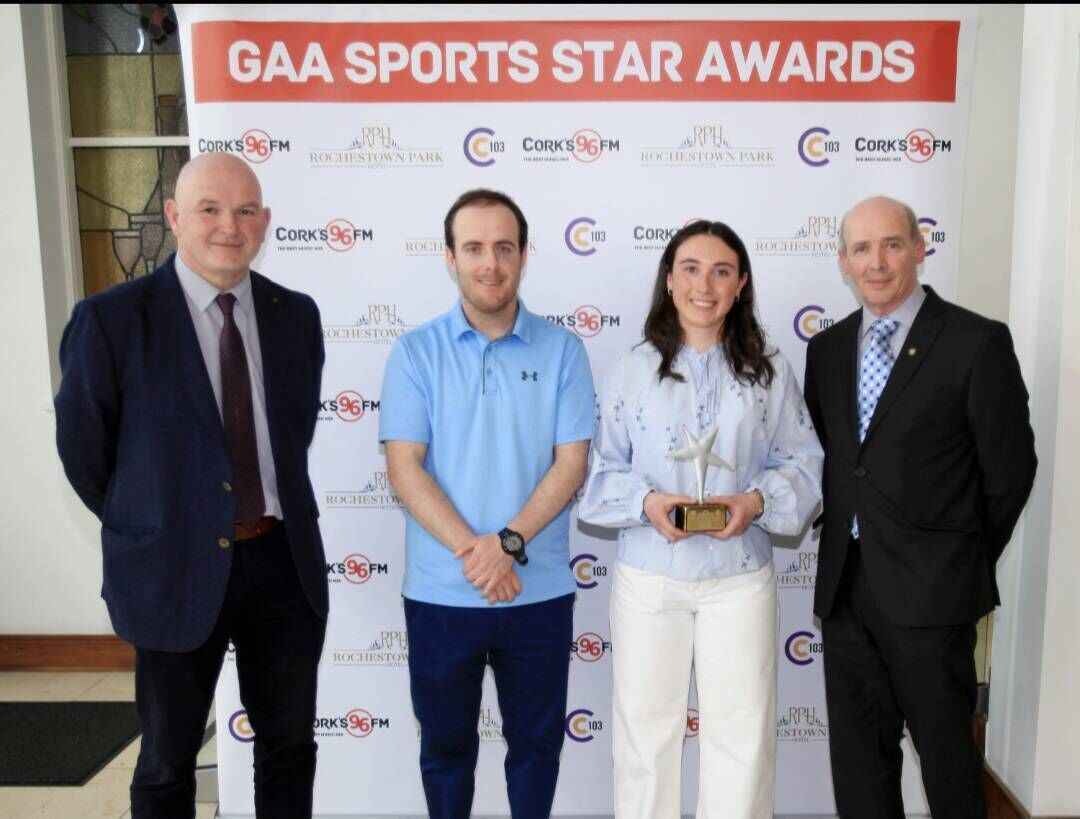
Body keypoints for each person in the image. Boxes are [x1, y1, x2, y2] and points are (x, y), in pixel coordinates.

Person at [55, 153, 328, 819]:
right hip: (170, 562)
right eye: (209, 209)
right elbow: (87, 454)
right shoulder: (113, 320)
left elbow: (292, 432)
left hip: (279, 561)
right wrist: (155, 519)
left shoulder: (295, 315)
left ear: (264, 223)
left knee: (289, 747)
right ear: (175, 217)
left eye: (244, 211)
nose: (228, 226)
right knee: (167, 762)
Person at [579, 220, 823, 819]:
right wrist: (645, 505)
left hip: (739, 580)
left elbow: (804, 459)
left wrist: (756, 503)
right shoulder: (632, 369)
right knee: (645, 735)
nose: (704, 285)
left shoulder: (769, 368)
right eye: (690, 268)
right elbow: (600, 471)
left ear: (740, 284)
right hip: (648, 580)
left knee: (742, 737)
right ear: (669, 279)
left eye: (721, 271)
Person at [803, 195, 1037, 818]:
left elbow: (1010, 472)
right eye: (860, 248)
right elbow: (835, 461)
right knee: (859, 768)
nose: (876, 262)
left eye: (891, 245)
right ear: (844, 262)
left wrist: (958, 559)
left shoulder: (975, 342)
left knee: (948, 766)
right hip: (846, 592)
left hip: (935, 599)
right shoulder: (825, 352)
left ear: (919, 248)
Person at [379, 189, 595, 819]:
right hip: (444, 594)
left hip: (538, 592)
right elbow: (404, 467)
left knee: (536, 748)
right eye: (473, 247)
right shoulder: (415, 352)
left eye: (504, 247)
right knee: (445, 751)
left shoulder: (563, 350)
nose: (490, 263)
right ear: (449, 257)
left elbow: (572, 463)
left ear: (524, 255)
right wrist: (476, 554)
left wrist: (506, 546)